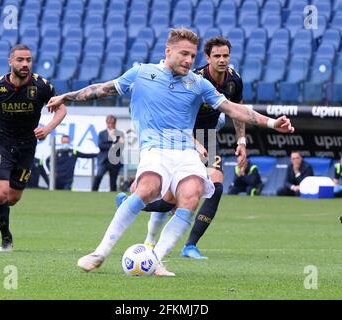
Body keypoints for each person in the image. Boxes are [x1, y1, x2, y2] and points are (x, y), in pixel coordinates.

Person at [47, 28, 294, 276]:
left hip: (186, 151)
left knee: (191, 194)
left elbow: (234, 109)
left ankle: (154, 260)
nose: (189, 60)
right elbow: (101, 89)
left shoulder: (198, 83)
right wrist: (66, 96)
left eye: (192, 55)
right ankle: (99, 253)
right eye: (184, 54)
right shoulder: (142, 73)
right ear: (168, 51)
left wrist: (272, 123)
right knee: (149, 188)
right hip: (155, 148)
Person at [141, 36, 247, 259]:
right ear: (207, 58)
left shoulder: (234, 81)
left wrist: (242, 142)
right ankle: (149, 237)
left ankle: (190, 246)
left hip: (207, 135)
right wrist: (193, 141)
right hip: (181, 135)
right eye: (216, 56)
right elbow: (175, 113)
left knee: (216, 188)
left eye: (225, 55)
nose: (222, 60)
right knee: (170, 199)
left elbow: (238, 110)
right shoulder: (192, 79)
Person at [0, 44, 67, 251]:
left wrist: (47, 129)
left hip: (26, 146)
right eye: (20, 60)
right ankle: (6, 239)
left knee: (12, 199)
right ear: (10, 62)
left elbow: (61, 110)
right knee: (1, 194)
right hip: (0, 143)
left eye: (28, 60)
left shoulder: (42, 86)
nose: (25, 64)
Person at [92, 115, 124, 192]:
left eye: (112, 123)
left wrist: (113, 143)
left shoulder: (119, 133)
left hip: (115, 160)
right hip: (104, 160)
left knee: (113, 181)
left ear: (115, 123)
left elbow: (121, 147)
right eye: (109, 123)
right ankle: (93, 192)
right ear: (106, 123)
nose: (110, 125)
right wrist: (113, 144)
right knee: (98, 176)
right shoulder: (102, 133)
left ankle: (112, 196)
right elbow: (100, 146)